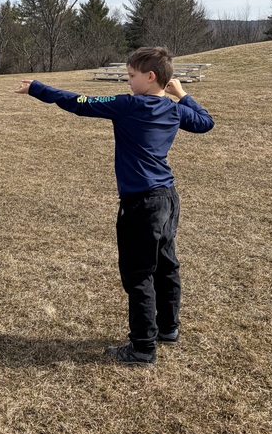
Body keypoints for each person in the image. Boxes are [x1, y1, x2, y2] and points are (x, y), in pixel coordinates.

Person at [15, 46, 214, 366]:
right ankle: (168, 329)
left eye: (131, 76)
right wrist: (182, 95)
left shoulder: (128, 106)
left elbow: (80, 103)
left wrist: (38, 89)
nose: (127, 82)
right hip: (167, 199)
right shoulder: (174, 109)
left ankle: (142, 348)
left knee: (139, 275)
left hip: (140, 205)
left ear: (150, 77)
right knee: (165, 266)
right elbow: (206, 122)